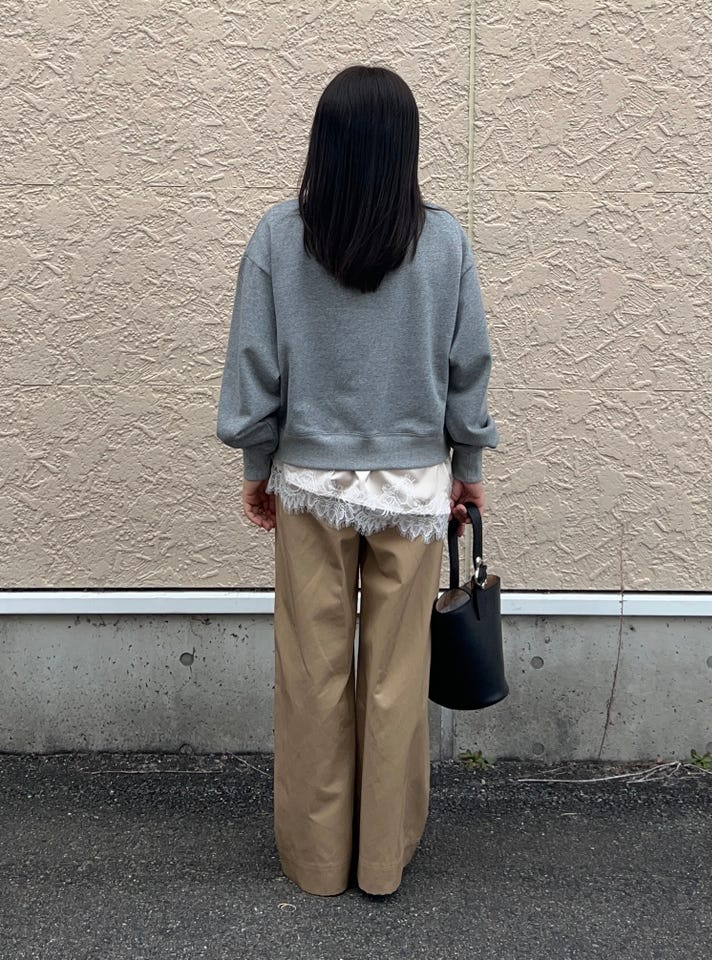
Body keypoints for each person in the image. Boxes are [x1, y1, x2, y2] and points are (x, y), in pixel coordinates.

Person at [216, 64, 499, 897]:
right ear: (405, 145)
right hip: (414, 488)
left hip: (310, 482)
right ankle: (380, 863)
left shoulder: (278, 237)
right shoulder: (443, 241)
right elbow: (468, 367)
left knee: (314, 672)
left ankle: (316, 863)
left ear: (325, 143)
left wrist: (257, 465)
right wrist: (468, 468)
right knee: (396, 675)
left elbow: (253, 363)